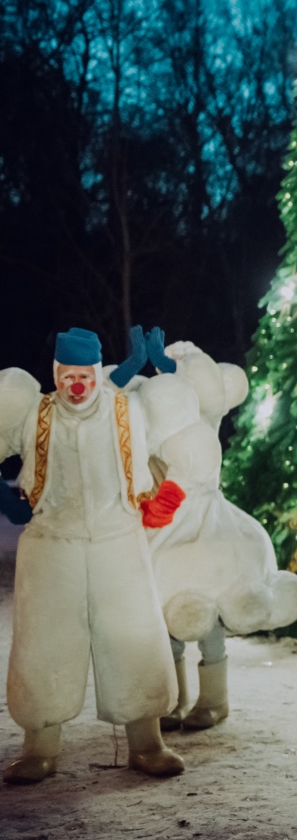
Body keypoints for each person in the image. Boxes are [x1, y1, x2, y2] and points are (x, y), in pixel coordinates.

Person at [0, 327, 190, 783]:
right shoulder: (34, 415)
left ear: (96, 373)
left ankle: (147, 742)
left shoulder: (128, 410)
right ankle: (39, 747)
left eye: (85, 375)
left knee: (134, 637)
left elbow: (178, 441)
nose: (77, 386)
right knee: (44, 644)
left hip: (116, 540)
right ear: (56, 375)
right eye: (68, 376)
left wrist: (166, 491)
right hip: (51, 543)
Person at [142, 341, 297, 731]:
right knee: (165, 608)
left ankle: (214, 700)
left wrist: (186, 362)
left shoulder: (204, 419)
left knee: (206, 604)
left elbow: (197, 464)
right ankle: (173, 699)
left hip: (204, 522)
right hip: (165, 526)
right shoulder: (160, 424)